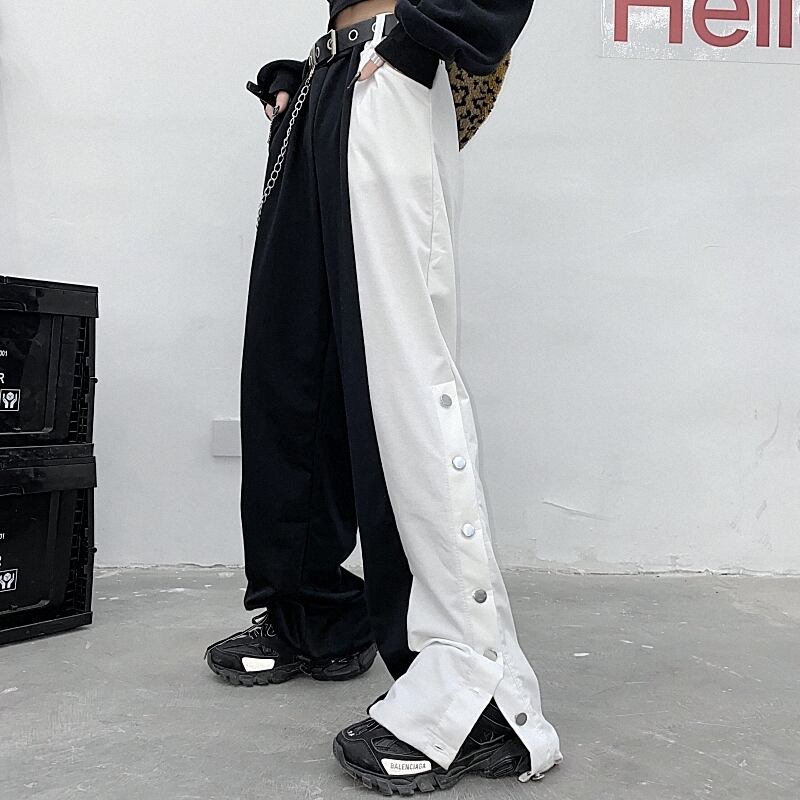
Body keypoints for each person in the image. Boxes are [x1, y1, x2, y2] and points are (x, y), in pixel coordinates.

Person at [205, 0, 563, 792]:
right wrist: (309, 78)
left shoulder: (405, 50)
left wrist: (416, 36)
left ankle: (479, 700)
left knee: (403, 374)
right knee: (292, 369)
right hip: (327, 82)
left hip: (388, 67)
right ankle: (316, 615)